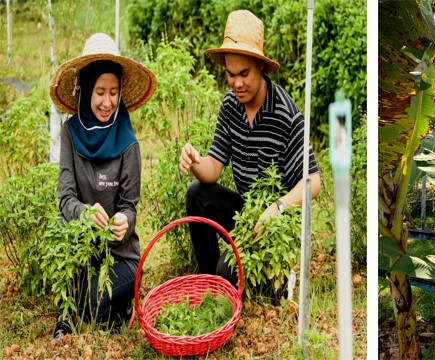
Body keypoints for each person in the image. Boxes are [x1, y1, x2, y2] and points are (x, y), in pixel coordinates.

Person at [178, 10, 321, 286]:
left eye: (244, 74)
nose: (237, 83)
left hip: (273, 222)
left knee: (228, 271)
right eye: (231, 75)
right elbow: (212, 172)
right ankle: (210, 285)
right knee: (197, 193)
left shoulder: (285, 113)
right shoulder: (230, 106)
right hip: (245, 213)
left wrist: (277, 208)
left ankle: (276, 275)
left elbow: (313, 182)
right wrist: (195, 160)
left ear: (261, 67)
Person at [50, 33, 157, 339]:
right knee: (62, 225)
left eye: (113, 92)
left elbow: (129, 206)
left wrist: (125, 220)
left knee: (94, 300)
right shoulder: (70, 132)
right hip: (84, 250)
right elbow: (65, 197)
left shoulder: (128, 143)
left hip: (120, 255)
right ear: (86, 91)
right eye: (99, 92)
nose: (107, 102)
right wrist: (84, 213)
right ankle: (67, 317)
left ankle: (113, 305)